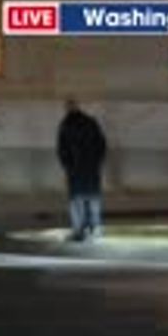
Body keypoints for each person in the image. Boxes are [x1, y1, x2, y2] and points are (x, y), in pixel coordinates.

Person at [57, 98, 107, 241]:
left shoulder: (65, 125)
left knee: (77, 201)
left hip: (76, 170)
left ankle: (79, 229)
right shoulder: (91, 122)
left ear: (67, 108)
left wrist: (67, 166)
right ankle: (95, 227)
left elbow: (62, 150)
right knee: (93, 199)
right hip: (91, 169)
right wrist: (97, 162)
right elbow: (102, 144)